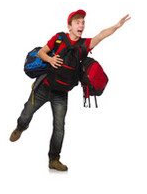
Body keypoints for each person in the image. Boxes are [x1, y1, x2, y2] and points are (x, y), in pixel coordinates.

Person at [9, 9, 130, 171]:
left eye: (83, 23)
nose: (82, 25)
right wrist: (50, 59)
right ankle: (21, 127)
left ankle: (54, 159)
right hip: (44, 87)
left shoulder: (83, 45)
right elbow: (41, 52)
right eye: (78, 22)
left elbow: (101, 35)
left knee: (59, 127)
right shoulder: (59, 38)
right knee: (26, 113)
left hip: (62, 93)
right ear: (70, 26)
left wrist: (117, 26)